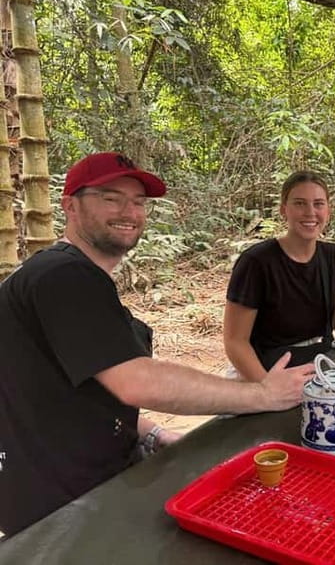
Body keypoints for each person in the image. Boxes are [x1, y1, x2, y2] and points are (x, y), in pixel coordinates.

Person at [0, 152, 315, 537]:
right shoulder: (64, 276)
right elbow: (138, 381)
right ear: (70, 206)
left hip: (80, 485)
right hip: (62, 511)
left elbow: (82, 386)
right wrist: (262, 395)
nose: (129, 211)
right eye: (111, 198)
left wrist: (148, 431)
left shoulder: (67, 275)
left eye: (138, 202)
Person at [223, 170, 335, 381]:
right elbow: (235, 343)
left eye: (318, 204)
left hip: (316, 368)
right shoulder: (256, 262)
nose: (310, 212)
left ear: (328, 210)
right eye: (300, 203)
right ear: (284, 210)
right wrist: (268, 390)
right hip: (262, 372)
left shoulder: (331, 256)